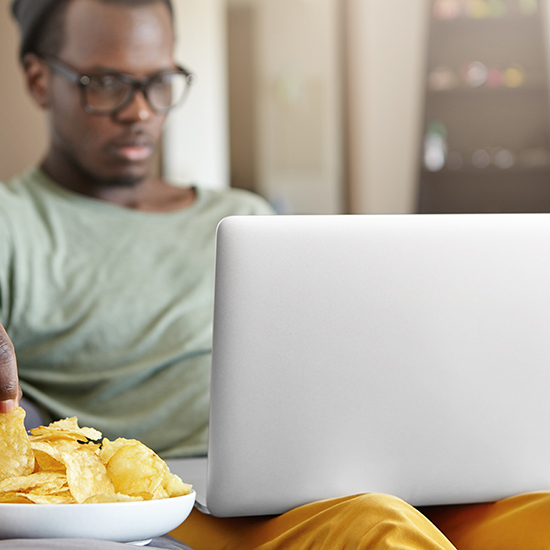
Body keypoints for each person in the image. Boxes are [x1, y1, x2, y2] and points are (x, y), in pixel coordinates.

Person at [1, 1, 550, 549]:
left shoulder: (246, 215)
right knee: (380, 528)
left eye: (160, 82)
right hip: (181, 497)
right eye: (107, 83)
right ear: (40, 80)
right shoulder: (12, 222)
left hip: (327, 469)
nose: (141, 111)